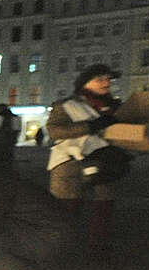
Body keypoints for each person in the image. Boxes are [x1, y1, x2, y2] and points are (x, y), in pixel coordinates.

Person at [45, 65, 122, 257]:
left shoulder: (117, 107)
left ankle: (98, 248)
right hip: (69, 163)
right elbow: (55, 130)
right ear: (85, 83)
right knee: (66, 208)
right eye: (100, 79)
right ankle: (60, 250)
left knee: (103, 207)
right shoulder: (67, 105)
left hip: (105, 162)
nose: (106, 83)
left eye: (108, 79)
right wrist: (90, 126)